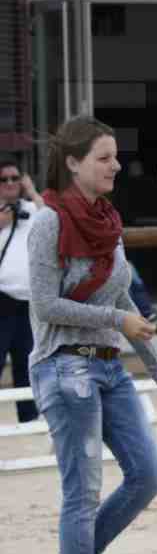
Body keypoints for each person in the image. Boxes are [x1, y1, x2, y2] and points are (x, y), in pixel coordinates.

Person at [29, 115, 157, 554]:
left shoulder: (109, 221)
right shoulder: (47, 222)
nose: (117, 165)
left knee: (149, 474)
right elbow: (47, 306)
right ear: (73, 163)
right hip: (65, 369)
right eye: (104, 157)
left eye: (116, 156)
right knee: (83, 490)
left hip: (111, 368)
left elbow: (119, 294)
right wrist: (119, 320)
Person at [0, 158, 39, 422]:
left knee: (27, 366)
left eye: (16, 178)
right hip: (1, 299)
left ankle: (29, 422)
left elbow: (55, 220)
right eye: (4, 179)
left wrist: (33, 191)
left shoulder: (31, 209)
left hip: (28, 303)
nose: (11, 183)